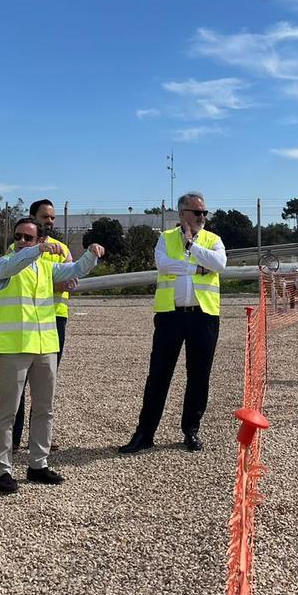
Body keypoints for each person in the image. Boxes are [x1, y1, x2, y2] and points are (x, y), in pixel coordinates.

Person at [0, 217, 103, 494]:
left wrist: (92, 253)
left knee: (44, 408)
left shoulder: (46, 268)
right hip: (13, 346)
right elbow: (16, 263)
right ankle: (2, 470)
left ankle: (38, 464)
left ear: (41, 239)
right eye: (18, 237)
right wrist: (35, 251)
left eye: (28, 238)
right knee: (7, 411)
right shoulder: (3, 265)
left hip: (45, 346)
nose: (21, 242)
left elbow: (75, 269)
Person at [119, 191, 226, 455]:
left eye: (204, 213)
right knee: (158, 375)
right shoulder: (165, 239)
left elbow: (219, 264)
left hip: (204, 316)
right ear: (181, 214)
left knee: (199, 376)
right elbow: (163, 265)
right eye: (196, 212)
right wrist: (197, 266)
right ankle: (144, 433)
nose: (202, 217)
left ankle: (191, 430)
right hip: (170, 315)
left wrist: (192, 248)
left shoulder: (213, 239)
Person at [11, 198, 74, 451]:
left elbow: (71, 279)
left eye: (52, 218)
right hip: (25, 318)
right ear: (33, 217)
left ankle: (39, 438)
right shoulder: (20, 245)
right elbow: (13, 275)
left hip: (55, 317)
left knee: (44, 383)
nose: (49, 222)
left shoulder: (61, 247)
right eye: (45, 217)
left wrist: (57, 283)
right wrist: (53, 283)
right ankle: (13, 440)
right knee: (19, 384)